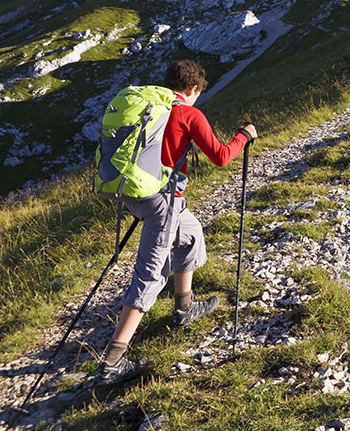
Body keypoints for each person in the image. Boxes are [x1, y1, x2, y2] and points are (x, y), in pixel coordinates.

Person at [99, 60, 257, 382]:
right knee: (151, 274)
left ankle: (184, 308)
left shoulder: (153, 107)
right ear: (193, 89)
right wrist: (244, 136)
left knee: (191, 235)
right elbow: (221, 156)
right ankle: (113, 361)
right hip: (162, 201)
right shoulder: (188, 113)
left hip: (137, 193)